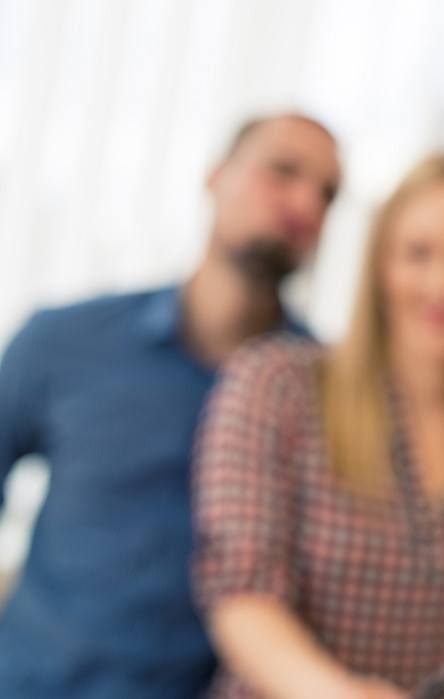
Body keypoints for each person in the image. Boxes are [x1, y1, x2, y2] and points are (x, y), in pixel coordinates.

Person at [0, 112, 342, 697]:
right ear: (216, 175)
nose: (305, 202)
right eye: (283, 170)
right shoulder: (65, 340)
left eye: (328, 193)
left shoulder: (327, 396)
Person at [192, 154, 444, 698]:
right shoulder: (278, 384)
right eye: (417, 253)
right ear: (380, 267)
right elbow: (242, 595)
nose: (443, 285)